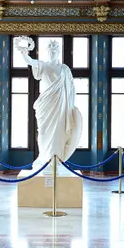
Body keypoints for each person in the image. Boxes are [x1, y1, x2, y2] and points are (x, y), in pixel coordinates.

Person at [17, 38, 82, 170]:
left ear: (58, 52)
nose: (52, 53)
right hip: (46, 106)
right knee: (43, 133)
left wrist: (71, 106)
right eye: (50, 51)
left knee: (59, 134)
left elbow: (71, 89)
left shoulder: (64, 69)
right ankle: (44, 158)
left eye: (54, 51)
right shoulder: (44, 66)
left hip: (60, 107)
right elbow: (30, 61)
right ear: (47, 52)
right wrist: (24, 53)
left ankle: (56, 160)